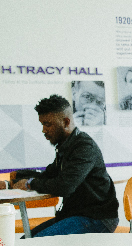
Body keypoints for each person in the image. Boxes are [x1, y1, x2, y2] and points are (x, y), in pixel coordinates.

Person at [12, 95, 119, 237]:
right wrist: (13, 180)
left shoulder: (84, 146)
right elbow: (48, 175)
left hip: (98, 218)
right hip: (75, 215)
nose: (43, 130)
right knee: (25, 240)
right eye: (42, 124)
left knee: (35, 243)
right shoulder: (65, 146)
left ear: (66, 122)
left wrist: (30, 183)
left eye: (48, 124)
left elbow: (65, 186)